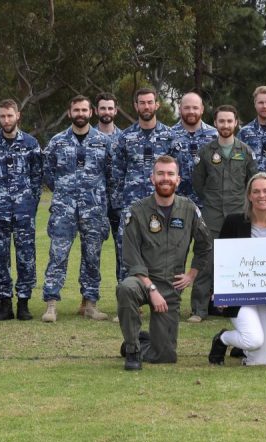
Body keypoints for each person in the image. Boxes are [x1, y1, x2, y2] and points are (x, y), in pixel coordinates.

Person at [117, 155, 212, 371]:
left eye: (170, 174)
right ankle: (132, 350)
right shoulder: (137, 211)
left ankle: (142, 341)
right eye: (160, 174)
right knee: (126, 288)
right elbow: (131, 256)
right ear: (152, 178)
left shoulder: (189, 209)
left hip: (171, 286)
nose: (165, 178)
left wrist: (191, 274)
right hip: (142, 280)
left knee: (166, 355)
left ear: (178, 180)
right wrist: (150, 288)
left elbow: (205, 245)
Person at [208, 172, 266, 366]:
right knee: (253, 340)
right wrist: (218, 291)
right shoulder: (233, 222)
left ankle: (246, 352)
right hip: (240, 295)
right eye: (256, 191)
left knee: (260, 362)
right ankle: (223, 339)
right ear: (249, 195)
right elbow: (220, 260)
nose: (261, 196)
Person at [41, 95, 112, 322]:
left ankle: (90, 304)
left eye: (84, 110)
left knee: (93, 256)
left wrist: (96, 192)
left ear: (91, 112)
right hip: (64, 209)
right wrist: (63, 190)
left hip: (94, 209)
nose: (80, 114)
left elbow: (112, 173)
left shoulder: (104, 141)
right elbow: (47, 170)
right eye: (76, 110)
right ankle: (51, 306)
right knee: (57, 255)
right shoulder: (57, 141)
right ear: (70, 113)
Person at [188, 105, 257, 323]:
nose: (225, 125)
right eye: (221, 121)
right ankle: (199, 309)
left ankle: (243, 307)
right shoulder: (205, 152)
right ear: (215, 123)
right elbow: (198, 183)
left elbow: (253, 182)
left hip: (239, 214)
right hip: (212, 214)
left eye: (229, 121)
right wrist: (212, 200)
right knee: (207, 261)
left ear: (236, 123)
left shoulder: (245, 151)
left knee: (242, 262)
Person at [0, 99, 43, 320]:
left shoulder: (31, 143)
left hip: (24, 210)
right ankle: (4, 302)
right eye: (2, 116)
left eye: (10, 115)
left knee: (26, 256)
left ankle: (23, 302)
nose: (6, 120)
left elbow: (37, 177)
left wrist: (31, 202)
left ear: (18, 116)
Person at [110, 87, 177, 282]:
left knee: (161, 252)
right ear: (135, 106)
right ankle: (129, 302)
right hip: (131, 206)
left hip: (162, 205)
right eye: (142, 103)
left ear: (157, 104)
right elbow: (117, 173)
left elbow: (178, 173)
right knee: (126, 251)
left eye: (150, 102)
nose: (146, 106)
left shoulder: (169, 136)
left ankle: (163, 299)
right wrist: (117, 206)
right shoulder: (125, 137)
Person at [88, 92, 124, 316]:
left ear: (116, 111)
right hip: (94, 204)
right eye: (103, 108)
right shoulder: (87, 137)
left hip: (120, 203)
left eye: (110, 108)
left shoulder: (125, 138)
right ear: (96, 110)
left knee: (124, 253)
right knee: (91, 252)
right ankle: (89, 300)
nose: (107, 112)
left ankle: (126, 299)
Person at [169, 91, 217, 207]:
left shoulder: (215, 135)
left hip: (208, 204)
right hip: (177, 204)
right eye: (187, 108)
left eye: (195, 108)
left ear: (202, 109)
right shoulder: (169, 135)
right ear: (180, 109)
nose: (191, 111)